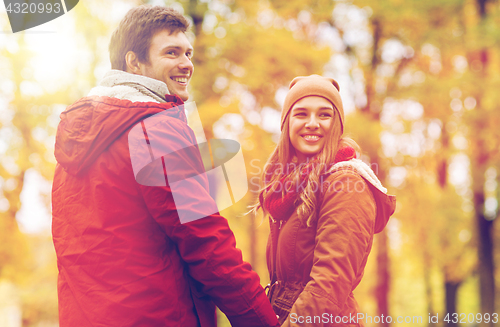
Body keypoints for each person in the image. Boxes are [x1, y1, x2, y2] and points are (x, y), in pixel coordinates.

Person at [52, 5, 279, 327]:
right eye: (172, 53)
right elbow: (207, 242)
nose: (186, 64)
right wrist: (261, 320)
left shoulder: (76, 143)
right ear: (134, 62)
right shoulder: (157, 129)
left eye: (188, 53)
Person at [254, 75, 396, 326]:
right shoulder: (290, 187)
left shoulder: (345, 183)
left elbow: (330, 284)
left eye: (324, 115)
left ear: (337, 124)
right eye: (300, 114)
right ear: (286, 123)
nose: (312, 123)